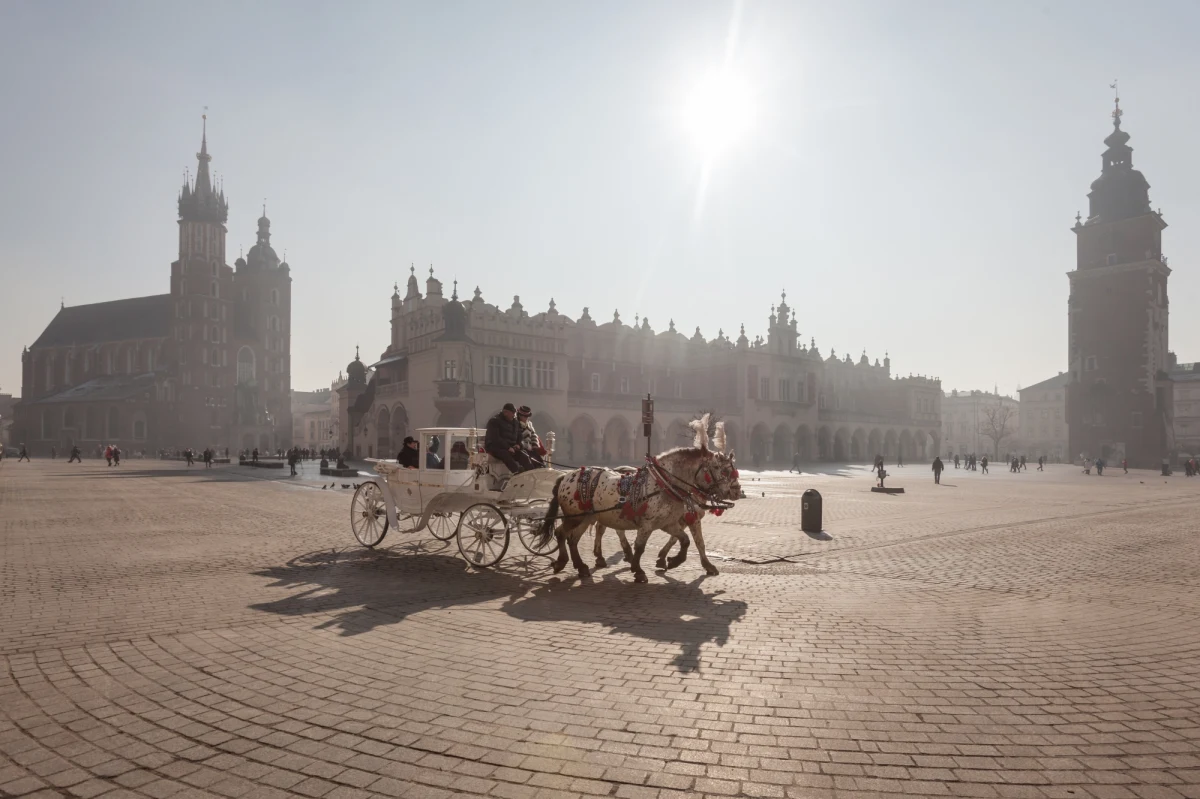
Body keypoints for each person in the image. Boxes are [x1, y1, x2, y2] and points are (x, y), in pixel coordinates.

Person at [485, 403, 533, 474]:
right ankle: (517, 472)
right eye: (512, 413)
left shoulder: (515, 422)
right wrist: (507, 447)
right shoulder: (494, 421)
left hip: (512, 448)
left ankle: (531, 473)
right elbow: (495, 438)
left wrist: (518, 444)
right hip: (497, 447)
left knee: (524, 456)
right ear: (505, 412)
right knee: (506, 455)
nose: (514, 415)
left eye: (515, 413)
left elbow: (519, 435)